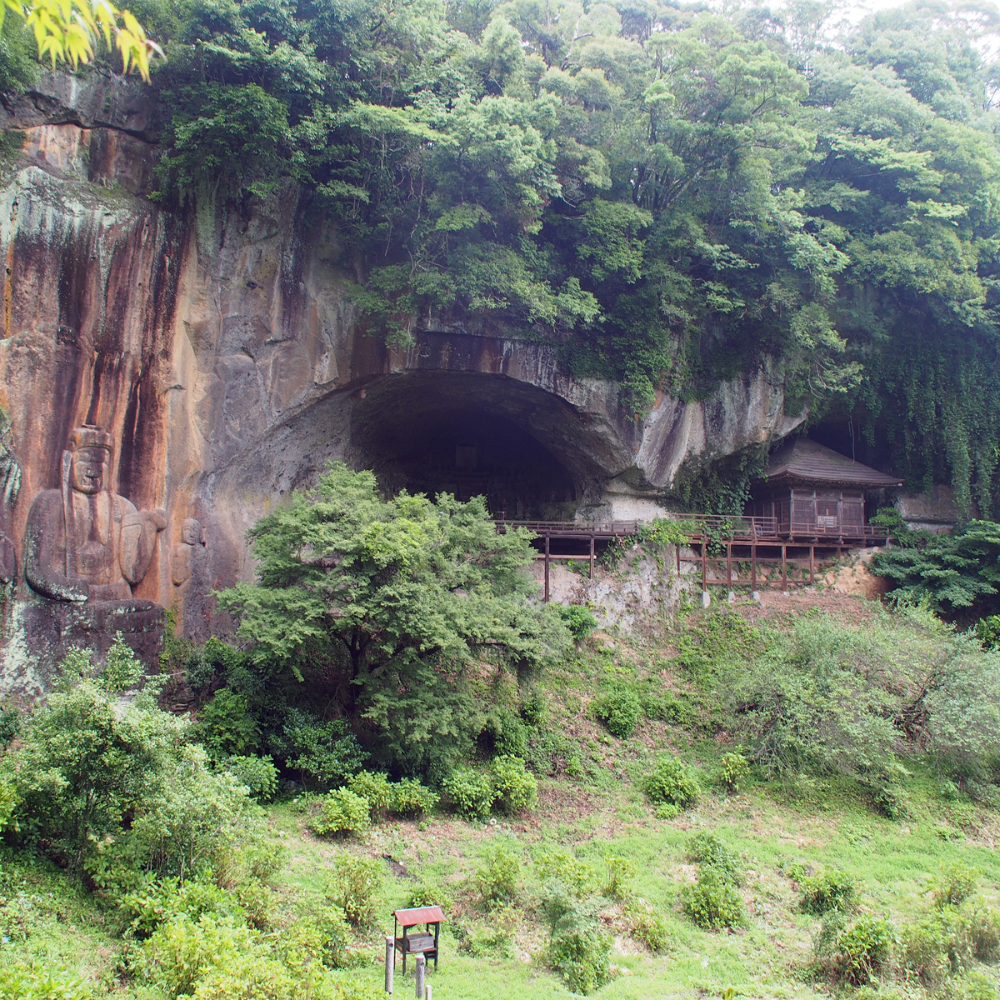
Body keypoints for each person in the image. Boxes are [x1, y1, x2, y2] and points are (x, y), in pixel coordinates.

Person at [24, 425, 166, 602]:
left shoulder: (122, 506)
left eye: (103, 462)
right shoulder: (50, 502)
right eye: (85, 459)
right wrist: (67, 588)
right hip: (67, 603)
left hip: (114, 598)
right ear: (69, 461)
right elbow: (37, 570)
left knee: (149, 612)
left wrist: (149, 527)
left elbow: (133, 573)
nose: (94, 469)